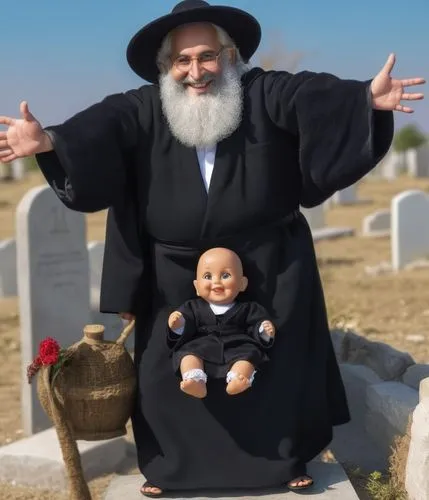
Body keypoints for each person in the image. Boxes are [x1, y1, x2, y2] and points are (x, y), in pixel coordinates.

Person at [0, 0, 425, 496]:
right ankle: (170, 470)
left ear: (229, 57)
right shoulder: (141, 108)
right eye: (182, 60)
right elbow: (98, 128)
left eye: (207, 56)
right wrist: (50, 139)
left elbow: (308, 94)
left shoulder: (263, 93)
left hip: (267, 267)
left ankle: (283, 463)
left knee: (274, 369)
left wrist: (360, 100)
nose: (195, 71)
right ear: (166, 67)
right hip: (173, 273)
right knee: (169, 376)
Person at [167, 247, 276, 398]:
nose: (216, 282)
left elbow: (255, 325)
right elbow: (187, 323)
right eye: (207, 276)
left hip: (237, 344)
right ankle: (195, 380)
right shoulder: (193, 307)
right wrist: (178, 324)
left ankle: (239, 378)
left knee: (250, 355)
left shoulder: (248, 308)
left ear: (242, 283)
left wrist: (264, 331)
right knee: (186, 355)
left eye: (225, 275)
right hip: (201, 344)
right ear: (197, 286)